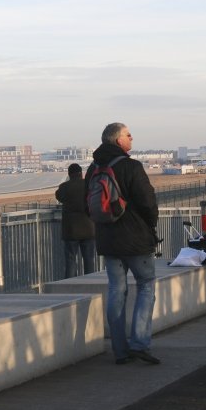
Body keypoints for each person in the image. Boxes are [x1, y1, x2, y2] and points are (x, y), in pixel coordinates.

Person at [86, 123, 161, 365]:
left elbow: (87, 203)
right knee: (146, 285)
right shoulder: (131, 166)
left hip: (108, 239)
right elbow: (147, 202)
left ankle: (120, 350)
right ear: (118, 140)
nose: (132, 138)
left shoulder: (93, 168)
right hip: (136, 238)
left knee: (117, 290)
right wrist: (150, 224)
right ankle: (139, 343)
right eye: (128, 135)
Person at [55, 163, 96, 278]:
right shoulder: (88, 185)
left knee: (71, 261)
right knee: (89, 260)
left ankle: (70, 287)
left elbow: (58, 196)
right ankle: (90, 285)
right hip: (89, 229)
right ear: (81, 173)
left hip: (71, 230)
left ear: (69, 174)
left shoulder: (64, 187)